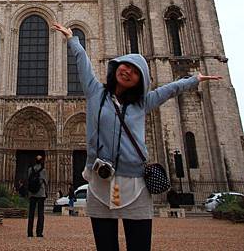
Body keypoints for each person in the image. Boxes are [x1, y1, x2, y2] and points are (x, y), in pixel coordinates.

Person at [53, 22, 222, 251]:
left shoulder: (142, 103)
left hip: (135, 185)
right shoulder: (96, 93)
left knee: (139, 246)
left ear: (140, 81)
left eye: (135, 72)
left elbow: (168, 90)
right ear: (116, 68)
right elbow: (83, 65)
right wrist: (72, 39)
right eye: (125, 66)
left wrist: (193, 79)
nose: (128, 72)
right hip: (101, 182)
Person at [27, 154, 47, 237]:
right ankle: (39, 233)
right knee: (40, 213)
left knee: (31, 213)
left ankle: (30, 232)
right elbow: (46, 182)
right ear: (42, 161)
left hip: (32, 194)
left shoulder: (30, 169)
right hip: (40, 194)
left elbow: (28, 179)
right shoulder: (43, 170)